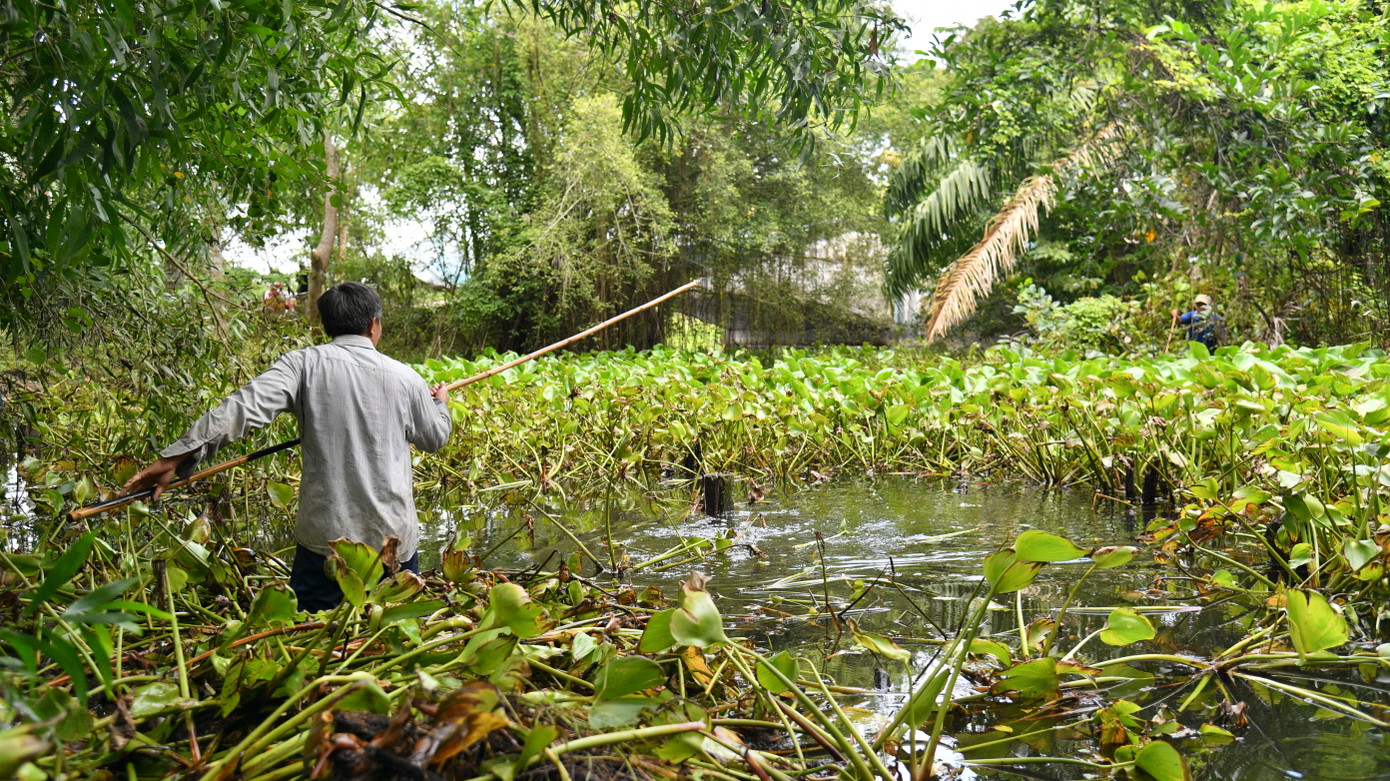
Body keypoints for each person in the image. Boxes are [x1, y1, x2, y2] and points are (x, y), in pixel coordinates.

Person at [125, 282, 452, 610]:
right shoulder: (406, 378)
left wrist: (175, 457)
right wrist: (439, 403)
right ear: (374, 325)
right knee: (391, 637)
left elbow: (240, 409)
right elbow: (435, 438)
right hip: (392, 547)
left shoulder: (303, 365)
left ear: (327, 326)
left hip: (326, 547)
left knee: (313, 637)